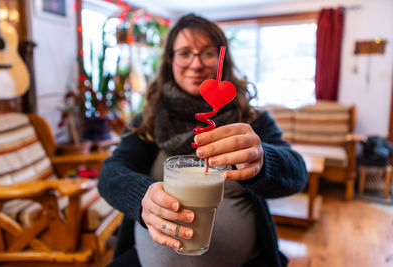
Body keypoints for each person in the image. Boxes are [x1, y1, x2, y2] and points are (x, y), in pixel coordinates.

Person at [98, 13, 307, 267]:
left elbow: (297, 173)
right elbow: (111, 174)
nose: (195, 64)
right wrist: (141, 195)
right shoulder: (149, 120)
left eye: (208, 53)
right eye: (185, 53)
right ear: (170, 60)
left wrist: (262, 159)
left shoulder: (250, 120)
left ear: (222, 61)